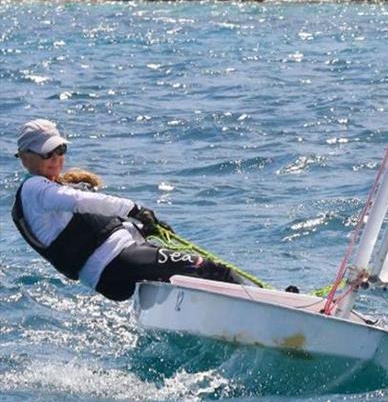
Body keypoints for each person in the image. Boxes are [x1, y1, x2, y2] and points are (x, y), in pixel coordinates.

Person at [12, 118, 244, 302]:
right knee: (215, 270)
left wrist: (142, 228)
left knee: (189, 280)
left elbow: (91, 226)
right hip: (119, 262)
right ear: (24, 158)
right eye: (46, 153)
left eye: (60, 150)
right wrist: (135, 209)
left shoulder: (48, 191)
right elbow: (80, 201)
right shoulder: (34, 188)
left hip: (112, 270)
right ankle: (272, 305)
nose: (55, 158)